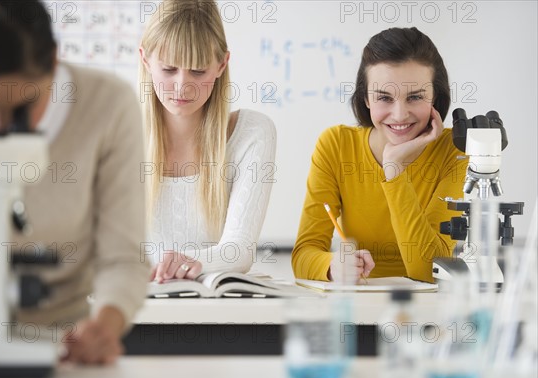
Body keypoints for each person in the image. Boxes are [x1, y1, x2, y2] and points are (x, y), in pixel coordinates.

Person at [0, 0, 149, 364]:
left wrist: (105, 325)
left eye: (22, 107)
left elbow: (122, 258)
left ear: (53, 61)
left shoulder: (108, 105)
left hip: (64, 346)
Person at [292, 27, 468, 283]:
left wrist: (394, 170)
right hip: (359, 306)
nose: (399, 115)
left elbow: (428, 269)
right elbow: (303, 256)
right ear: (365, 98)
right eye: (384, 98)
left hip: (430, 311)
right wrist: (333, 266)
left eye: (415, 97)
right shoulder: (336, 145)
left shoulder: (455, 150)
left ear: (435, 98)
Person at [139, 0, 277, 282]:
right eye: (168, 69)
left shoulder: (253, 132)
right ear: (145, 61)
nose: (182, 86)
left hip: (216, 313)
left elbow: (238, 251)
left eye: (198, 71)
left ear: (221, 65)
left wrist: (180, 264)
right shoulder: (118, 133)